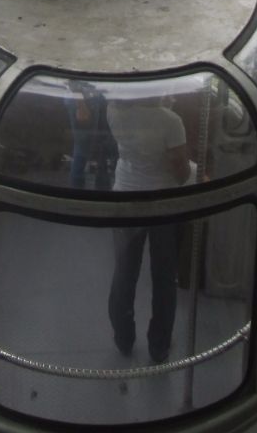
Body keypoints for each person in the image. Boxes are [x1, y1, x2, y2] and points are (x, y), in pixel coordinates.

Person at [106, 95, 191, 362]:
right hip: (162, 202)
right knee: (164, 275)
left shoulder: (114, 108)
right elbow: (181, 173)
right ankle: (159, 346)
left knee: (124, 271)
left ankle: (123, 338)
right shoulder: (170, 121)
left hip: (125, 195)